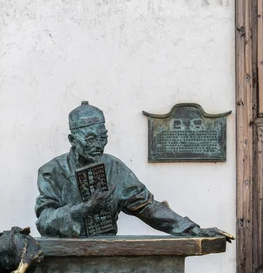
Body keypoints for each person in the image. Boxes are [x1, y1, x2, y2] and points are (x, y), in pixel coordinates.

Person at [35, 101, 232, 241]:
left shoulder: (114, 169)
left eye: (103, 138)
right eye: (91, 139)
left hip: (106, 252)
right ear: (72, 140)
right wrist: (84, 209)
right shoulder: (51, 172)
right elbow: (44, 222)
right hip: (64, 257)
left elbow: (147, 206)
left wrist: (193, 230)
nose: (99, 145)